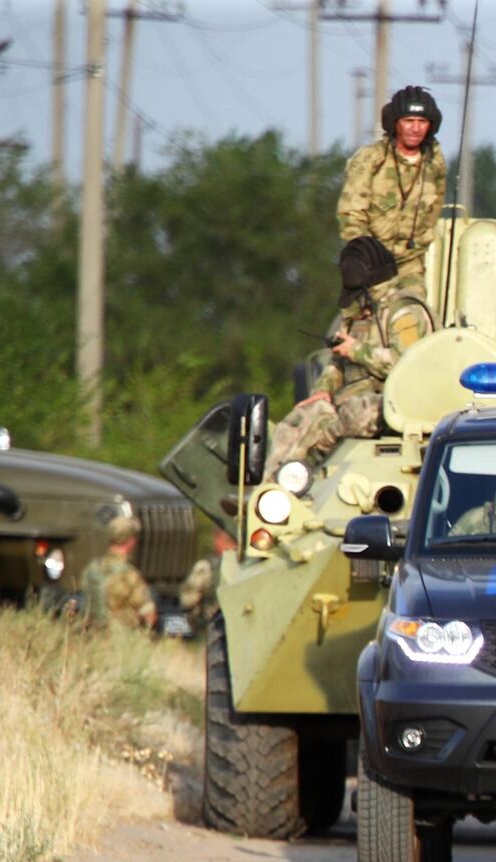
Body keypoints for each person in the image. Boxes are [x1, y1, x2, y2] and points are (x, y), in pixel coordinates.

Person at [264, 240, 409, 480]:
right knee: (298, 419)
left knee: (353, 412)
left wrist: (358, 351)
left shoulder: (404, 312)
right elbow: (336, 362)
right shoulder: (356, 316)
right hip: (348, 404)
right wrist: (322, 391)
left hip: (389, 405)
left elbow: (407, 366)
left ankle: (312, 459)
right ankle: (269, 489)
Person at [337, 85, 447, 307]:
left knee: (413, 316)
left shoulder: (434, 163)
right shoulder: (371, 159)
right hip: (372, 263)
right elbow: (350, 214)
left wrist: (423, 241)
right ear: (394, 123)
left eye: (422, 122)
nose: (415, 129)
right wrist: (366, 255)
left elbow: (434, 208)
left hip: (410, 262)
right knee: (373, 323)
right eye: (408, 121)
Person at [80, 509, 156, 631]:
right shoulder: (129, 574)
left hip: (93, 639)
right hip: (119, 641)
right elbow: (149, 615)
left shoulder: (92, 568)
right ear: (131, 541)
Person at [179, 529, 237, 627]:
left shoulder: (205, 567)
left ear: (219, 540)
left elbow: (186, 600)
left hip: (213, 628)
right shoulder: (250, 565)